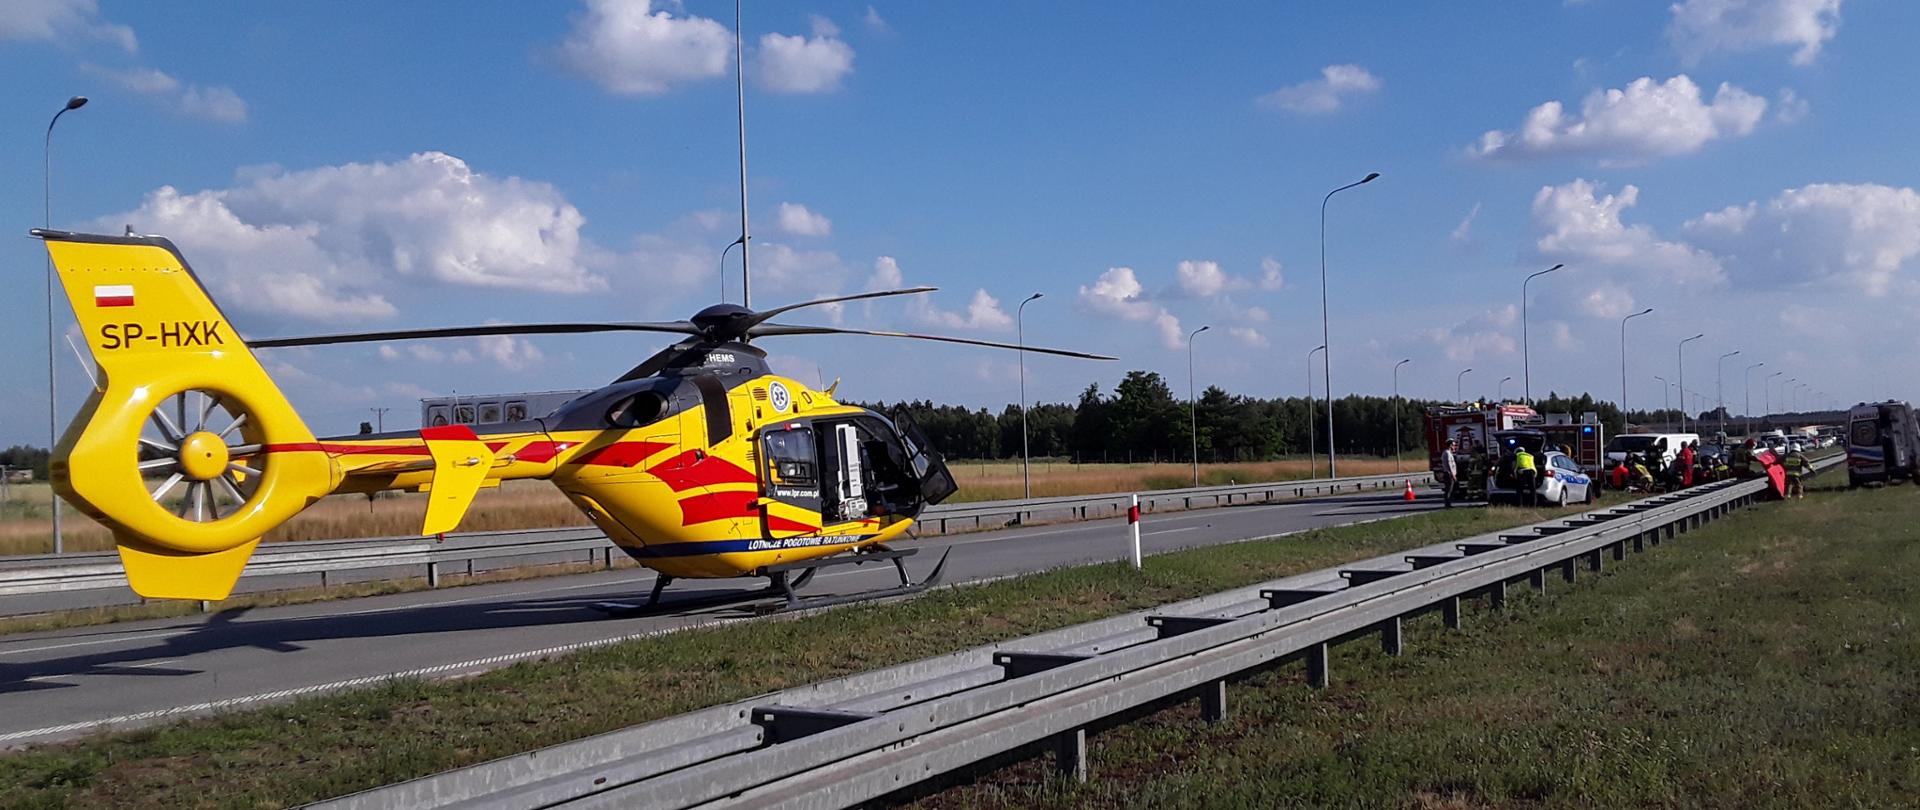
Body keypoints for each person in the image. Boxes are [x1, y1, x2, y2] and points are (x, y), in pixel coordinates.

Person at [1440, 439, 1459, 508]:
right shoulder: (1447, 453)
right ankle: (1447, 504)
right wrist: (1453, 474)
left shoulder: (1447, 453)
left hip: (1449, 473)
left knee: (1449, 489)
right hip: (1449, 474)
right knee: (1449, 489)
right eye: (1453, 445)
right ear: (1450, 445)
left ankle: (1448, 503)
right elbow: (1449, 464)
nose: (1454, 447)